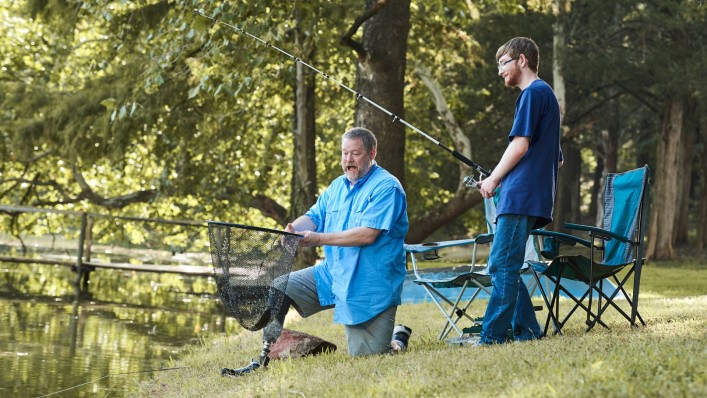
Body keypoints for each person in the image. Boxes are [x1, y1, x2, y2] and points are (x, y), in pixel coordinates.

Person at [222, 127, 411, 376]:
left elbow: (367, 234)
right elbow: (314, 217)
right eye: (345, 153)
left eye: (355, 153)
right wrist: (293, 229)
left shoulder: (387, 188)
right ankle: (264, 357)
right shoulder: (336, 186)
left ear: (372, 153)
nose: (348, 160)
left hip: (369, 284)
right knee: (281, 286)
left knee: (369, 356)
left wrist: (317, 239)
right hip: (331, 274)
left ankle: (398, 339)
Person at [476, 37, 563, 345]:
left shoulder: (532, 94)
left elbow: (520, 145)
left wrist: (494, 180)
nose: (500, 71)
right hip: (528, 195)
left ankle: (492, 337)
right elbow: (557, 156)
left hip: (520, 197)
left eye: (503, 63)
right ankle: (528, 331)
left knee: (500, 265)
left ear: (522, 60)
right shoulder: (547, 96)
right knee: (507, 265)